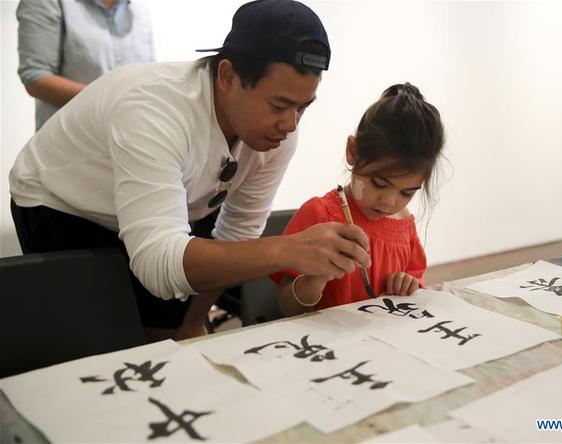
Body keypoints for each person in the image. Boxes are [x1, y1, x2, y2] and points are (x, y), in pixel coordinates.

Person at [9, 0, 371, 341]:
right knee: (104, 343)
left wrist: (194, 322)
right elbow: (158, 264)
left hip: (171, 204)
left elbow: (236, 236)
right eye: (279, 104)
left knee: (171, 333)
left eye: (303, 108)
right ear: (227, 75)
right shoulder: (155, 110)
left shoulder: (276, 136)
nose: (291, 124)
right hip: (61, 201)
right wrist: (287, 250)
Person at [273, 83, 445, 315]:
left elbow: (415, 286)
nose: (389, 202)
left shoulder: (404, 226)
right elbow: (287, 307)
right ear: (352, 152)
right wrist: (319, 277)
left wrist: (407, 283)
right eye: (379, 183)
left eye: (407, 192)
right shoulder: (320, 216)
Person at [16, 0, 155, 131]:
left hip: (129, 142)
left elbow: (149, 79)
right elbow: (36, 79)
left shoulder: (138, 10)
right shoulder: (47, 2)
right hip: (73, 145)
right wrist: (113, 101)